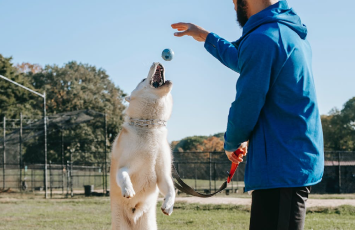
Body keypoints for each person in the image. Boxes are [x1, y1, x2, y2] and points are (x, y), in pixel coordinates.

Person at [172, 0, 324, 229]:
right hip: (286, 163)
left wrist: (232, 141)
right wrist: (206, 36)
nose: (233, 6)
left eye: (234, 0)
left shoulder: (264, 38)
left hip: (282, 166)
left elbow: (247, 103)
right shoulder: (283, 33)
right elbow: (245, 59)